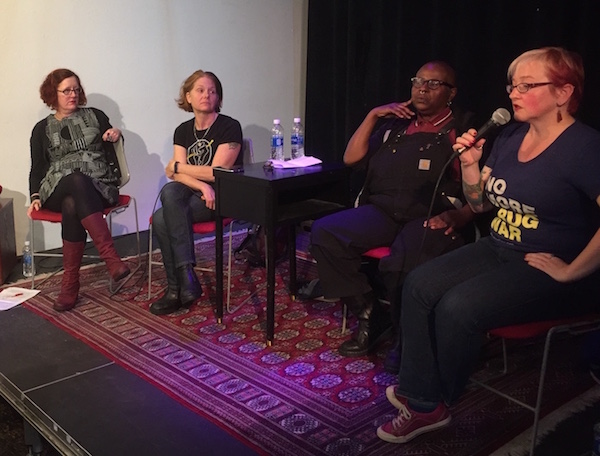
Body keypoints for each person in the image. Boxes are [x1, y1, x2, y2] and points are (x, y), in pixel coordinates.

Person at [377, 47, 600, 444]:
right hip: (499, 246)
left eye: (527, 85)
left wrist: (573, 270)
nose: (514, 93)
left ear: (563, 93)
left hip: (549, 263)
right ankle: (422, 395)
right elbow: (480, 203)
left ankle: (430, 402)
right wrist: (469, 165)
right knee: (418, 283)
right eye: (513, 84)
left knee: (459, 306)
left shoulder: (585, 148)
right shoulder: (511, 134)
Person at [310, 61, 477, 358]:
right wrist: (372, 116)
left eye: (433, 84)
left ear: (451, 93)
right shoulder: (395, 126)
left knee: (403, 261)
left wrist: (461, 216)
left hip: (430, 217)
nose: (422, 89)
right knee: (326, 232)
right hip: (384, 212)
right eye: (418, 81)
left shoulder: (462, 130)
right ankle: (369, 314)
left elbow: (481, 192)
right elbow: (351, 159)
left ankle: (408, 339)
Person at [28, 68, 130, 312]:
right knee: (74, 180)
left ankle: (70, 285)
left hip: (98, 184)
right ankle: (110, 258)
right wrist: (34, 195)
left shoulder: (96, 116)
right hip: (56, 186)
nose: (73, 95)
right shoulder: (42, 128)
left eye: (76, 89)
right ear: (53, 93)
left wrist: (116, 135)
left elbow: (112, 144)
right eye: (66, 91)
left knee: (73, 203)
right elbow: (38, 166)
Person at [149, 70, 243, 315]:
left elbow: (216, 173)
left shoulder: (229, 127)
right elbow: (177, 177)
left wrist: (181, 168)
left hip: (221, 198)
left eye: (212, 91)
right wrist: (201, 185)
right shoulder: (182, 130)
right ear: (188, 96)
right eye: (200, 90)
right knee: (170, 192)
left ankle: (176, 289)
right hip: (196, 193)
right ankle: (185, 278)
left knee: (162, 217)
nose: (207, 95)